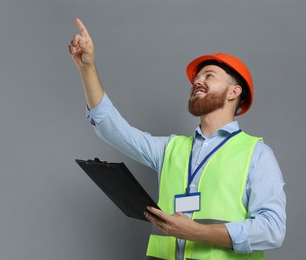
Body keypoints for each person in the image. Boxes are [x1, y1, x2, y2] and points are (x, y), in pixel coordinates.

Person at [68, 18, 286, 260]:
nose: (197, 81)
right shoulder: (171, 148)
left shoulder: (256, 154)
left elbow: (272, 229)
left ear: (234, 92)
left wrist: (200, 232)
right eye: (196, 78)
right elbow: (112, 128)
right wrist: (87, 68)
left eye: (209, 76)